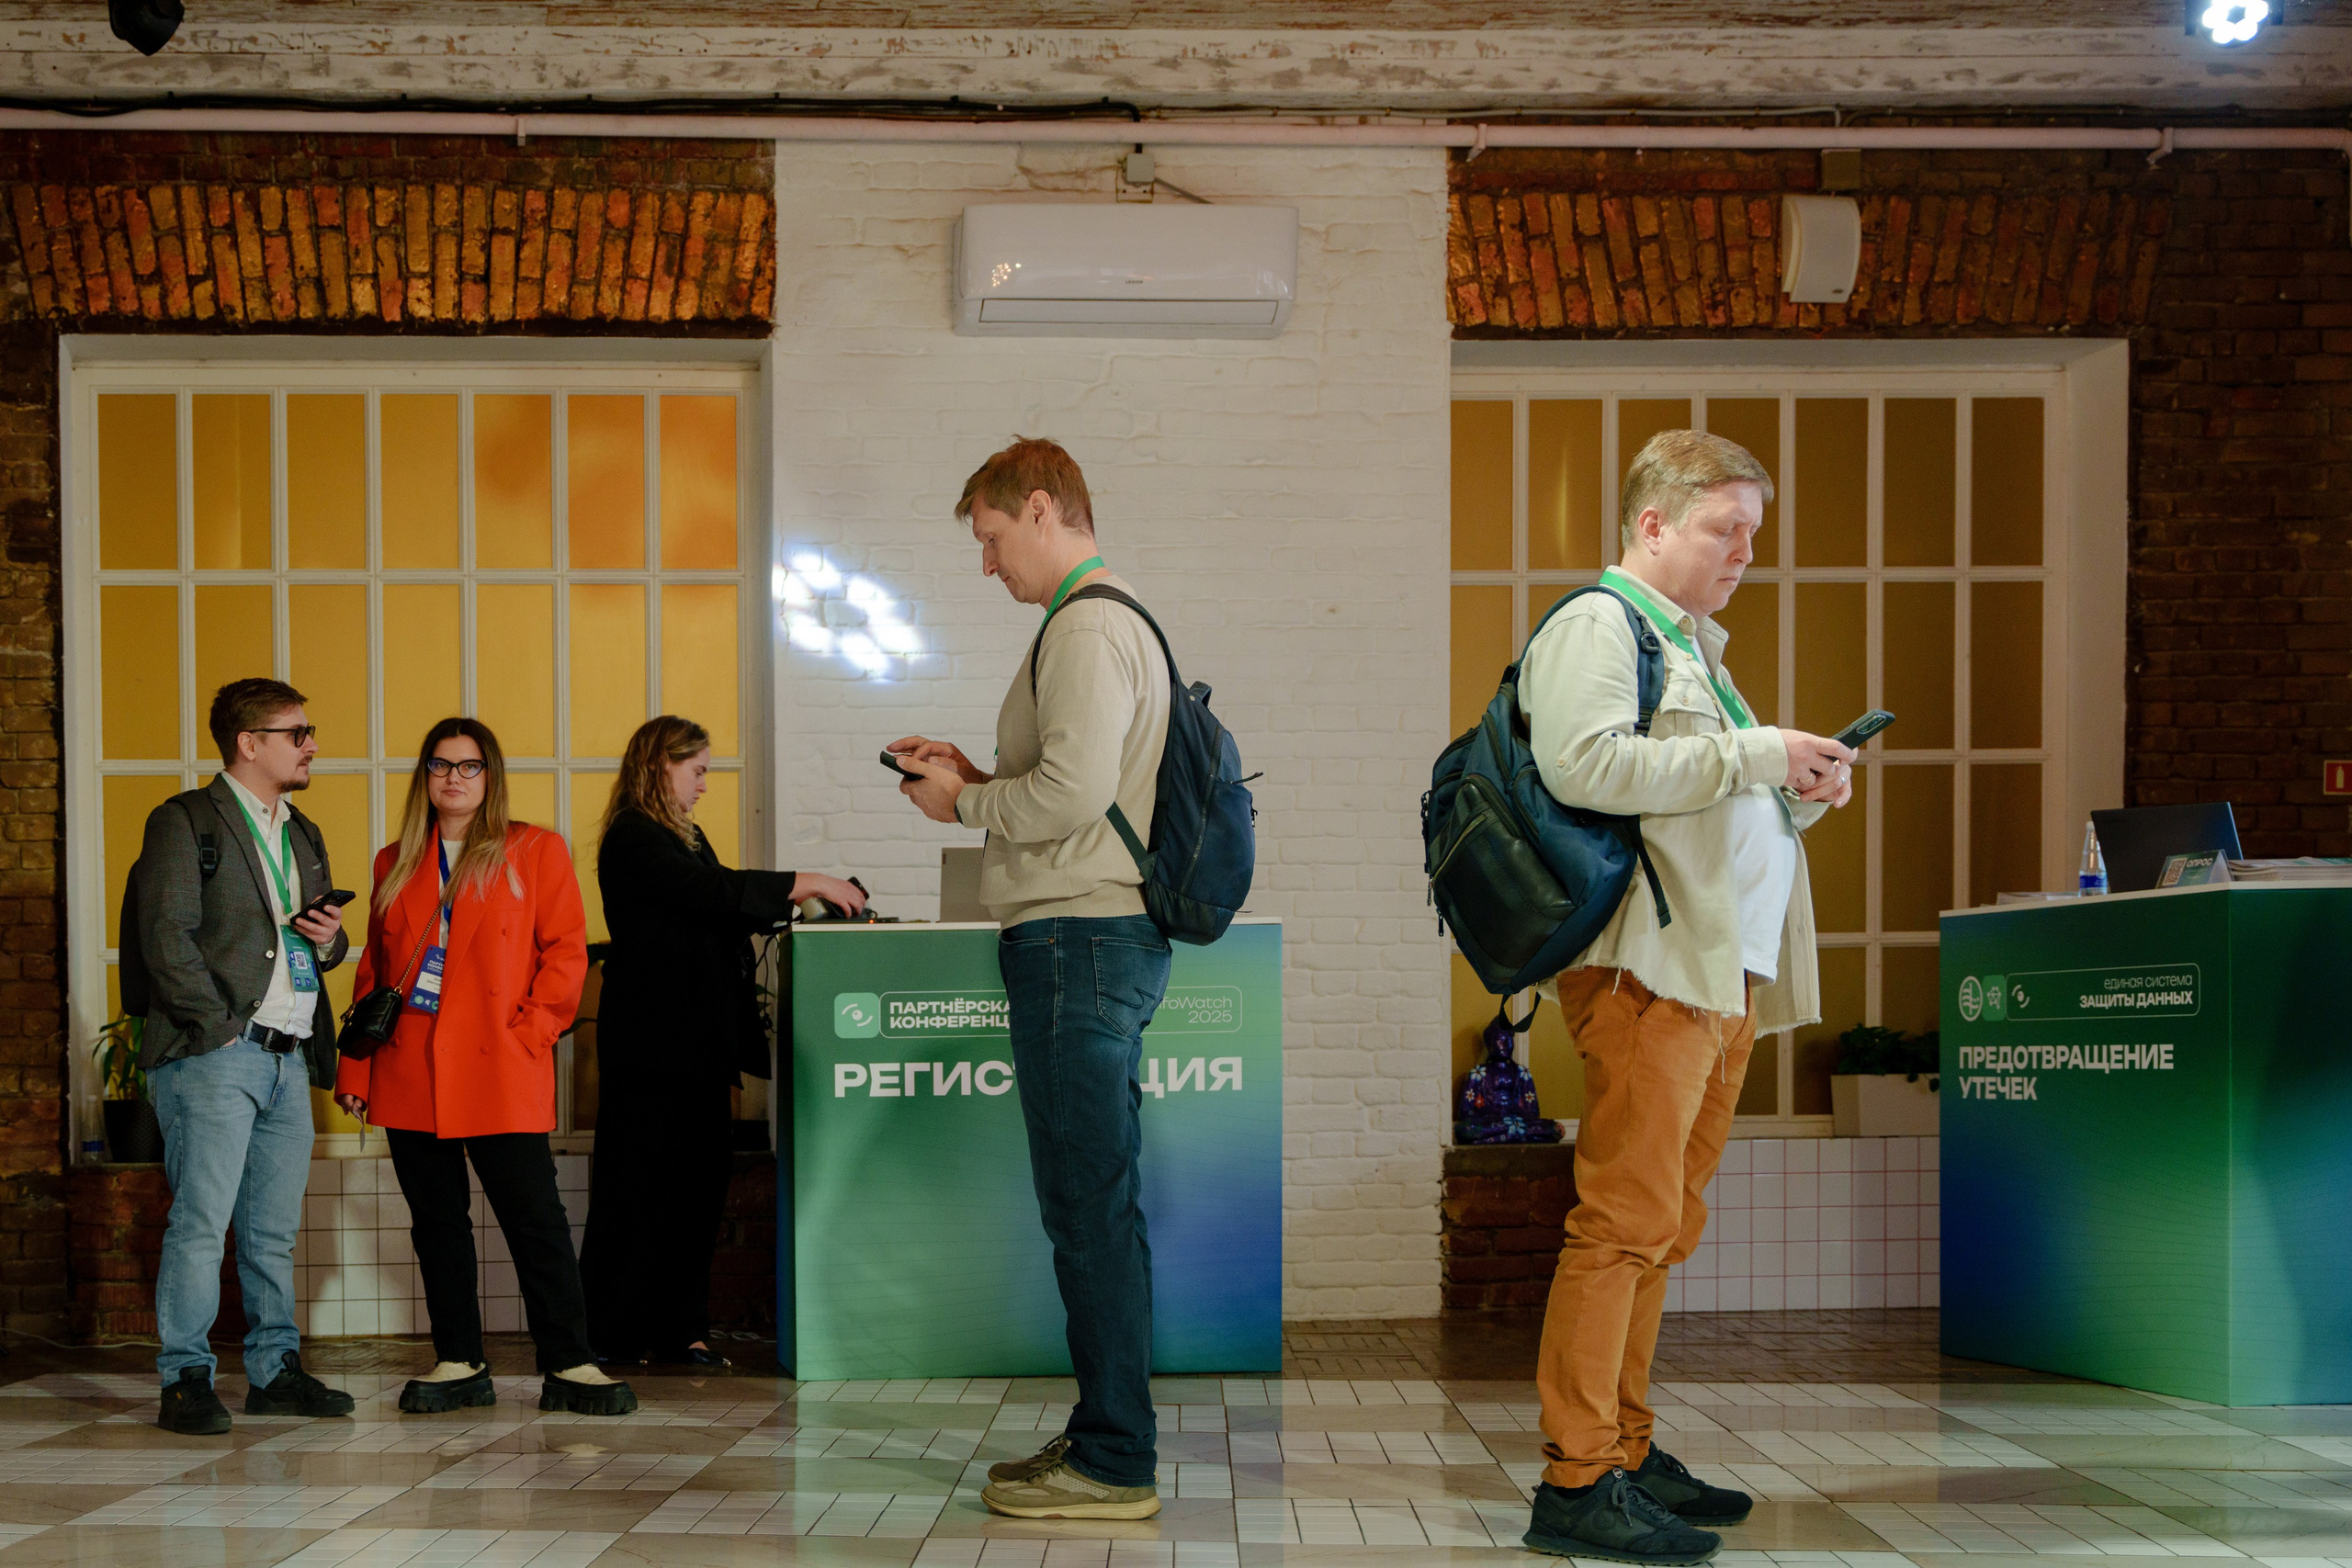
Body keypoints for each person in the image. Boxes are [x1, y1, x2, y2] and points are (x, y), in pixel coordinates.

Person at [1515, 430, 1857, 1562]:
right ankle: (1576, 1479)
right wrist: (1759, 754)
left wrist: (1794, 789)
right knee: (1621, 1225)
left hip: (1718, 975)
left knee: (1661, 1229)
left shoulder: (1691, 647)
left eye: (1753, 533)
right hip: (1648, 974)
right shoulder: (1596, 627)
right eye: (1725, 528)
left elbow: (1705, 801)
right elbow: (1586, 766)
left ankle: (1622, 1444)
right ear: (1650, 525)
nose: (1745, 552)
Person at [890, 437, 1172, 1523]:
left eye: (993, 539)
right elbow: (1068, 788)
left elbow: (1066, 799)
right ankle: (1110, 1432)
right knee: (1096, 1201)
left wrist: (960, 806)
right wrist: (975, 772)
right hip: (1094, 939)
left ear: (1044, 510)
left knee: (1087, 1208)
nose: (987, 565)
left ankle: (1113, 1460)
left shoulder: (1089, 624)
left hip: (1078, 942)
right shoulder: (1105, 622)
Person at [333, 717, 632, 1416]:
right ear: (425, 777)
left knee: (535, 1219)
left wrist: (534, 1031)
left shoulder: (534, 850)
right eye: (441, 765)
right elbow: (375, 972)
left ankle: (571, 1361)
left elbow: (566, 952)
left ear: (490, 776)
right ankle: (459, 1358)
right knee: (437, 1221)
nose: (454, 778)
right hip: (410, 1066)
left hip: (501, 1062)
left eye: (469, 766)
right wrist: (355, 1072)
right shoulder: (395, 860)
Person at [579, 715, 866, 1366]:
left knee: (695, 1193)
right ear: (660, 765)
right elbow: (709, 890)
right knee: (639, 1193)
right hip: (653, 1052)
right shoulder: (633, 835)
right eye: (698, 770)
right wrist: (807, 882)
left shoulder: (686, 834)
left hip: (696, 1047)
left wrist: (788, 904)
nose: (705, 785)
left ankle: (681, 1330)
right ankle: (611, 1334)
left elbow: (715, 902)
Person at [136, 678, 358, 1434]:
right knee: (201, 1221)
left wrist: (333, 943)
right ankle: (186, 1377)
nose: (312, 745)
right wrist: (224, 1027)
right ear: (249, 743)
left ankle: (273, 1371)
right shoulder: (185, 821)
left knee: (271, 1229)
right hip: (214, 1055)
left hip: (288, 1058)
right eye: (299, 732)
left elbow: (323, 942)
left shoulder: (303, 831)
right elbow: (164, 938)